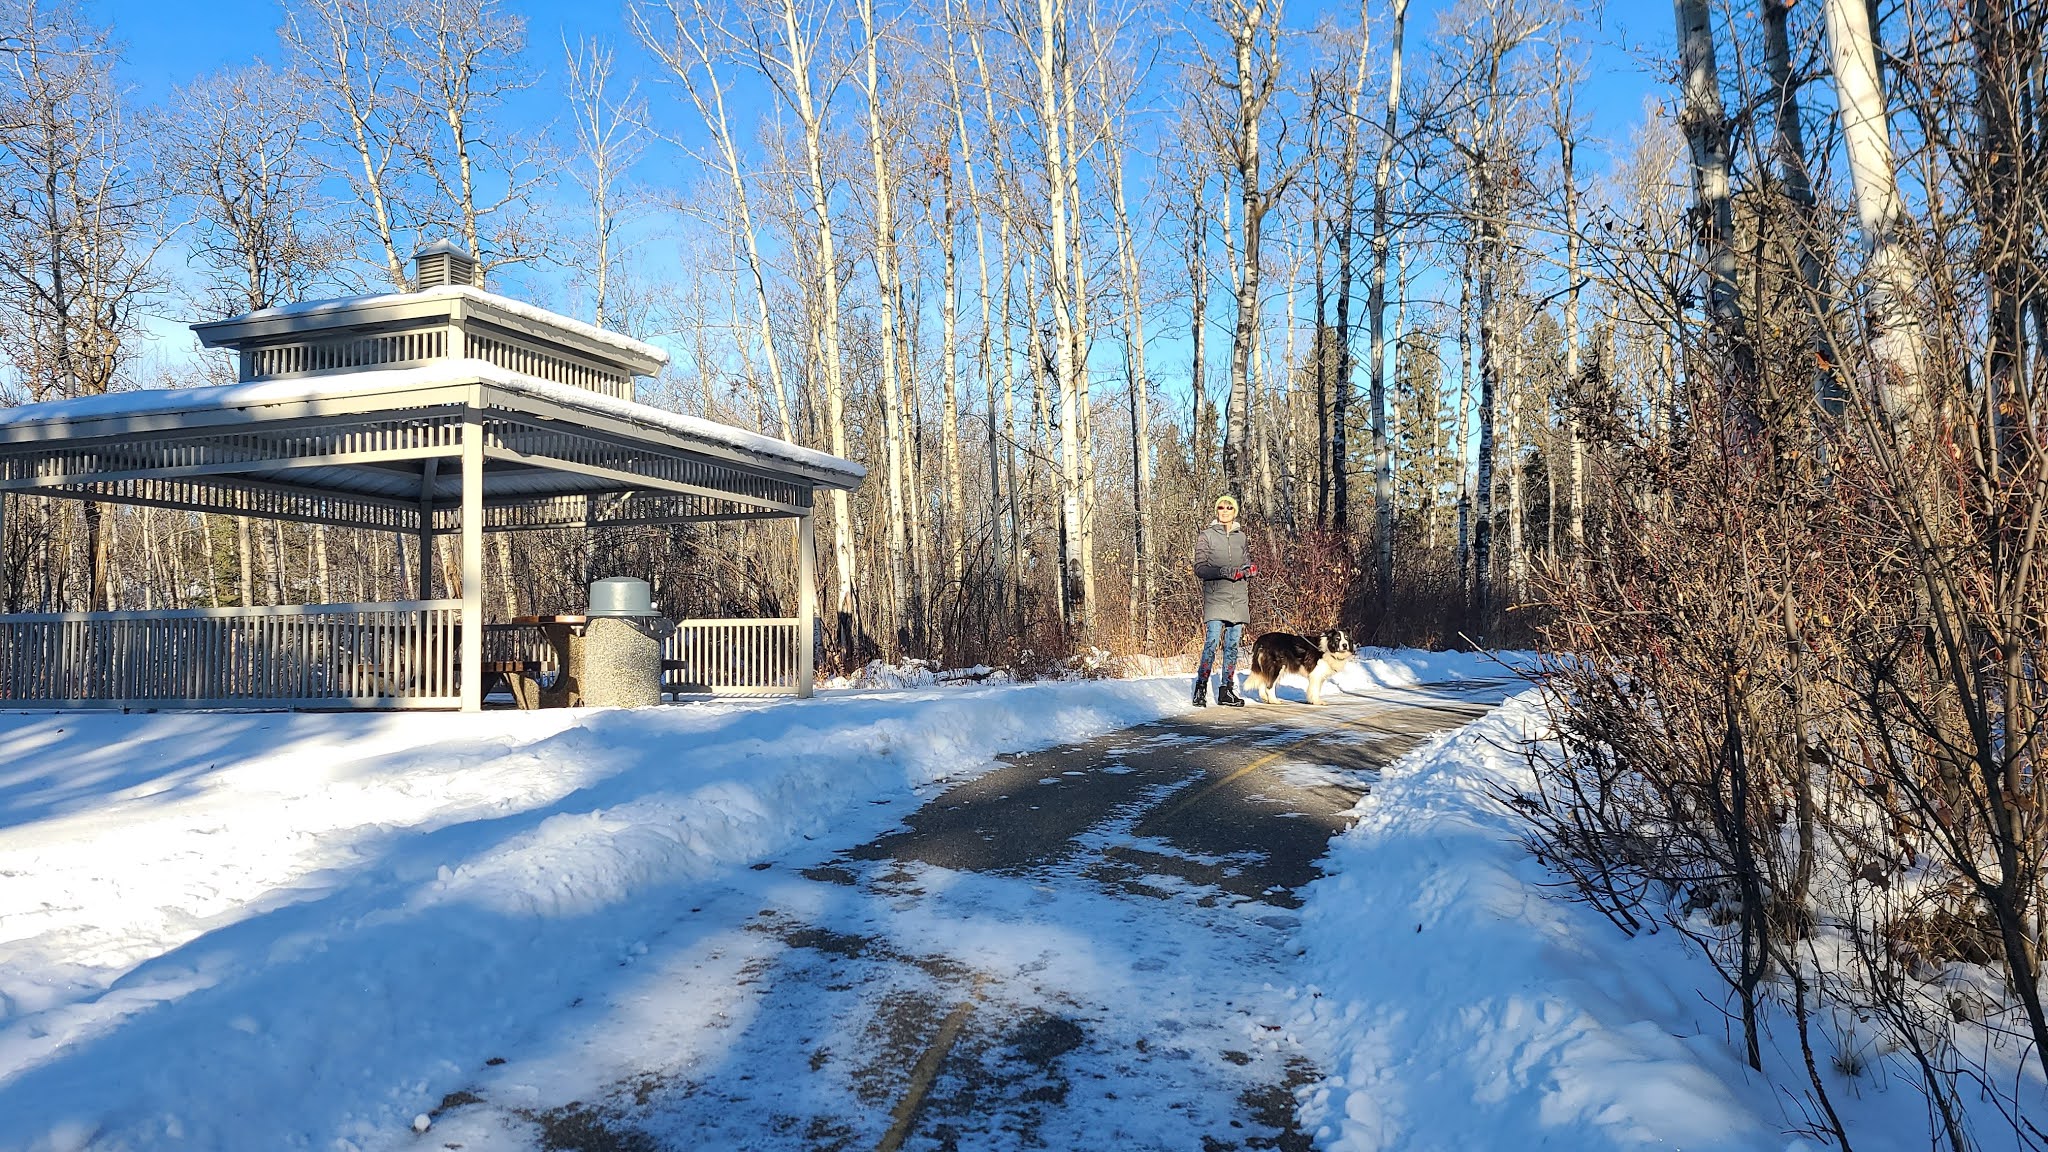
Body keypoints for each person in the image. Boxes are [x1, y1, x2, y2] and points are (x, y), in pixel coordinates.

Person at [1191, 493, 1257, 707]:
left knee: (1232, 646)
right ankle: (1201, 688)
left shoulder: (1241, 537)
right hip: (1216, 598)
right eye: (1221, 507)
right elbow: (1200, 568)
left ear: (1235, 511)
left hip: (1238, 599)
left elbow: (1245, 562)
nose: (1225, 511)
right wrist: (1223, 571)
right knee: (1211, 643)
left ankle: (1226, 690)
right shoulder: (1206, 536)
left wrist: (1249, 570)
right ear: (1216, 510)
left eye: (1229, 507)